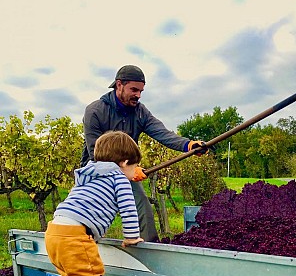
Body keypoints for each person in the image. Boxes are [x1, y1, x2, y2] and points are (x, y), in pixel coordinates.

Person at [81, 64, 206, 242]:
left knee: (142, 208)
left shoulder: (140, 112)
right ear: (119, 85)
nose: (138, 95)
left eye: (141, 91)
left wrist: (188, 145)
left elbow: (162, 132)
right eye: (134, 90)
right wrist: (125, 171)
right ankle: (82, 245)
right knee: (88, 214)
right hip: (95, 171)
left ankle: (148, 252)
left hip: (126, 169)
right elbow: (95, 154)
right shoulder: (95, 111)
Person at [45, 131, 144, 276]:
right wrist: (132, 237)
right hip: (74, 233)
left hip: (54, 230)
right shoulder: (119, 179)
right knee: (89, 272)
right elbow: (128, 208)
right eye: (133, 167)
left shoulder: (87, 175)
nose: (134, 172)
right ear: (124, 163)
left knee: (68, 271)